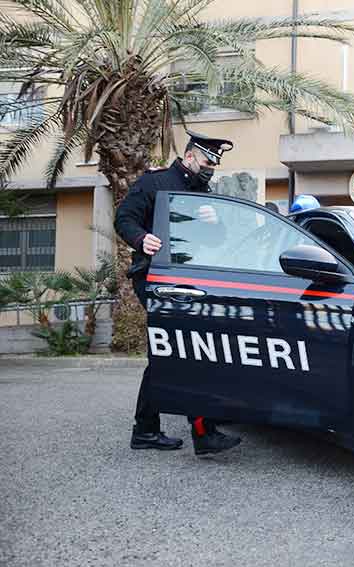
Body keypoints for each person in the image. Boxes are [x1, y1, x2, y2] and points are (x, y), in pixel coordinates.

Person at [114, 131, 242, 456]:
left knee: (175, 351)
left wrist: (215, 224)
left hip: (190, 282)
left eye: (215, 162)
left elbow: (215, 241)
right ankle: (201, 432)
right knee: (184, 349)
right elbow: (124, 218)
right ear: (189, 156)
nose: (211, 167)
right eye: (207, 160)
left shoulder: (204, 192)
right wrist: (141, 238)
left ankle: (148, 430)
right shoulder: (154, 183)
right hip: (156, 279)